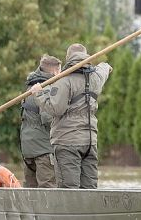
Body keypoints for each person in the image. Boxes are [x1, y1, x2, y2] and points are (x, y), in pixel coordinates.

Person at [30, 43, 112, 189]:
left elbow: (56, 109)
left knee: (69, 190)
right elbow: (104, 69)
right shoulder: (96, 78)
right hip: (90, 142)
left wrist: (38, 93)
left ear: (68, 58)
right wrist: (106, 66)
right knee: (90, 189)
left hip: (67, 143)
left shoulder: (64, 81)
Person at [20, 54, 61, 188]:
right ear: (55, 71)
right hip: (43, 151)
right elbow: (48, 118)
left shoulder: (29, 88)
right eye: (60, 71)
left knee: (30, 192)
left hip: (27, 149)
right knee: (47, 190)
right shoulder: (47, 89)